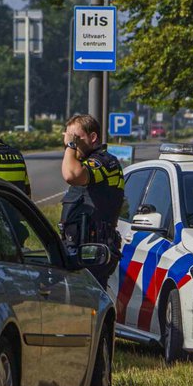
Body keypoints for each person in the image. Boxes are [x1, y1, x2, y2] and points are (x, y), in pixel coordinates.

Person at [59, 113, 126, 284]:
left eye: (76, 137)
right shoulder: (85, 161)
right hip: (79, 248)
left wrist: (71, 145)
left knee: (87, 304)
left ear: (93, 137)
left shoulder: (104, 161)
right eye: (68, 138)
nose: (71, 144)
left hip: (94, 250)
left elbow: (71, 175)